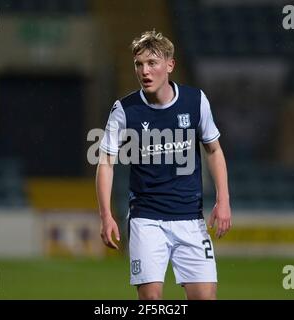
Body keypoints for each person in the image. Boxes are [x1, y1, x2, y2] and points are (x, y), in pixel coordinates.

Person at [95, 30, 231, 300]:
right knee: (151, 300)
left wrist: (223, 200)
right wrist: (106, 215)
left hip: (190, 219)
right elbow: (106, 162)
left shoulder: (195, 101)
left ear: (170, 65)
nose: (144, 71)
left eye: (152, 63)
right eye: (139, 64)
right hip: (146, 220)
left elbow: (214, 150)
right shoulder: (124, 109)